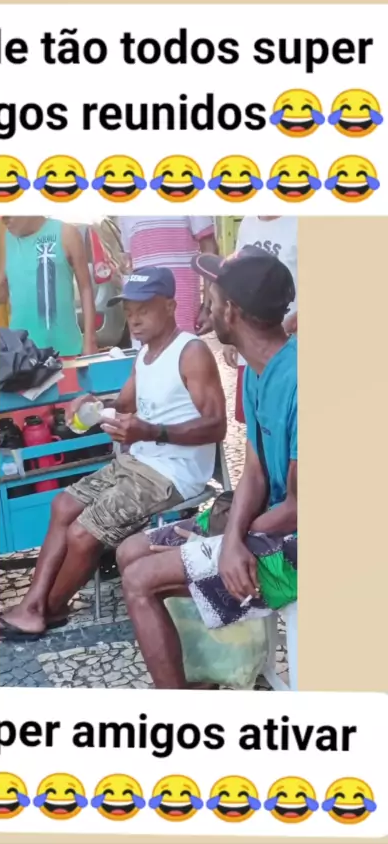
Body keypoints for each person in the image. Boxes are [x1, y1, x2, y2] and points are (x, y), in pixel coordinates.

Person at [0, 266, 227, 638]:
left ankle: (48, 609)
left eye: (144, 310)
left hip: (172, 473)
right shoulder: (145, 354)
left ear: (170, 306)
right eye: (129, 311)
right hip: (138, 462)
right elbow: (122, 405)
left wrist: (150, 431)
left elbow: (216, 425)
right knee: (63, 506)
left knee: (83, 532)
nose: (134, 320)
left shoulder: (191, 352)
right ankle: (34, 604)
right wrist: (92, 404)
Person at [117, 246, 297, 689]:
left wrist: (228, 541)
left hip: (296, 544)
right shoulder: (259, 370)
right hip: (266, 523)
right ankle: (198, 678)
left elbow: (299, 507)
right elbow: (254, 470)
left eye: (211, 298)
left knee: (140, 579)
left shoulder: (299, 379)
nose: (205, 307)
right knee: (130, 551)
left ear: (230, 311)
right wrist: (228, 537)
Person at [224, 216, 297, 423]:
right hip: (251, 348)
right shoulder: (248, 223)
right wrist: (232, 335)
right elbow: (236, 279)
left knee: (285, 420)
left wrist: (294, 322)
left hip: (287, 347)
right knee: (254, 421)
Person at [0, 216, 97, 358]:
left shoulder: (66, 234)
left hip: (63, 351)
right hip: (20, 355)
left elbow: (85, 288)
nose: (3, 218)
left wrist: (90, 339)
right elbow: (2, 291)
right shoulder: (7, 239)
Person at [117, 216, 218, 347]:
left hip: (181, 307)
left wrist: (208, 305)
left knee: (183, 353)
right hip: (141, 308)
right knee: (146, 355)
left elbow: (209, 250)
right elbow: (129, 260)